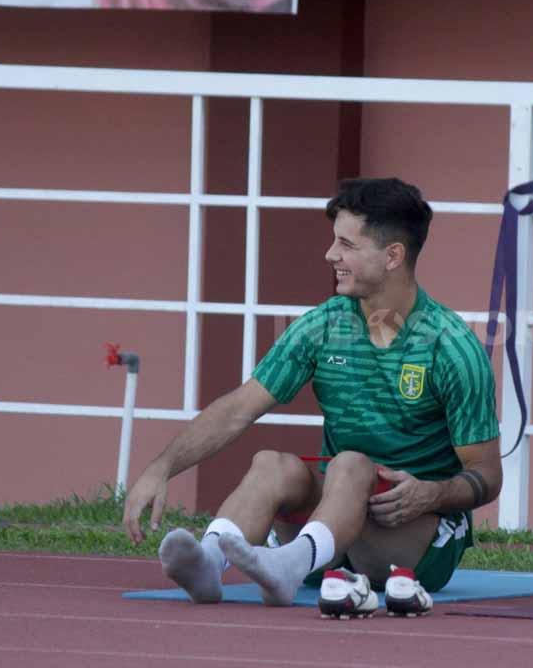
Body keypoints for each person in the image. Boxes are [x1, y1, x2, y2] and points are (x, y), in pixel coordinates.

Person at [122, 177, 501, 617]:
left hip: (413, 537)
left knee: (350, 464)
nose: (330, 255)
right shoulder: (321, 325)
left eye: (347, 244)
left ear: (393, 256)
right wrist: (161, 468)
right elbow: (238, 409)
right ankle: (210, 562)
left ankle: (290, 564)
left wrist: (430, 494)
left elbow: (487, 475)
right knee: (272, 463)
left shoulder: (451, 345)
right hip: (333, 529)